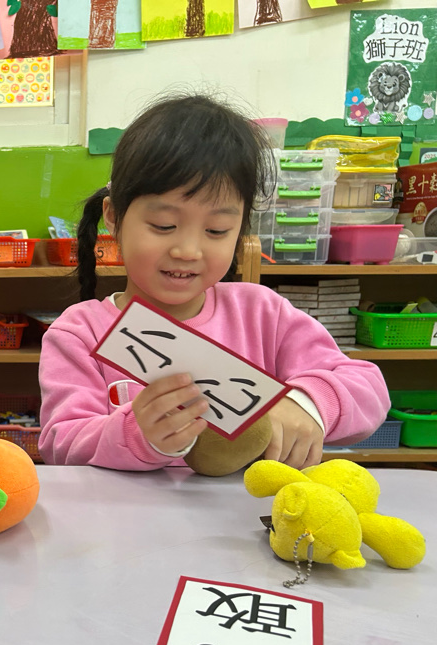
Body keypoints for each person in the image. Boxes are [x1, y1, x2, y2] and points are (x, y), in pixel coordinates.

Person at [39, 94, 389, 471]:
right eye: (164, 225)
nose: (188, 251)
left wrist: (306, 403)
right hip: (128, 507)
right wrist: (136, 434)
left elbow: (367, 387)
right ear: (113, 217)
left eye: (217, 230)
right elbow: (60, 442)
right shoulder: (81, 333)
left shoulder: (262, 314)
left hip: (247, 506)